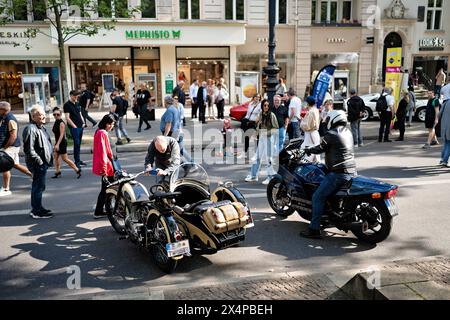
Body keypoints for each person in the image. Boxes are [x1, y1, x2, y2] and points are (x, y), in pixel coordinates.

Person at [301, 110, 356, 239]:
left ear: (333, 120)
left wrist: (308, 150)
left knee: (317, 197)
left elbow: (320, 148)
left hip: (338, 174)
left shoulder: (331, 134)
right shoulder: (348, 132)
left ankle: (314, 229)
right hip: (351, 171)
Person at [22, 105, 54, 219]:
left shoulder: (40, 127)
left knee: (40, 186)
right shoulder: (31, 128)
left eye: (43, 113)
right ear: (33, 116)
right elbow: (28, 149)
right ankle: (36, 211)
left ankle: (38, 208)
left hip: (42, 163)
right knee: (38, 186)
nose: (44, 116)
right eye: (40, 114)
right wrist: (40, 161)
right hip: (38, 164)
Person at [0, 101, 32, 197]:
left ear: (3, 110)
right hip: (8, 146)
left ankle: (6, 189)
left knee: (4, 165)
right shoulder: (3, 117)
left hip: (11, 147)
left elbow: (13, 136)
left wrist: (4, 148)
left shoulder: (10, 120)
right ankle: (34, 176)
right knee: (15, 164)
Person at [245, 99, 279, 185]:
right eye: (264, 105)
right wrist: (257, 133)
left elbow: (275, 128)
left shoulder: (272, 115)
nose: (266, 107)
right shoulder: (261, 114)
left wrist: (266, 133)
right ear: (262, 106)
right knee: (257, 156)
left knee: (269, 158)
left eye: (268, 105)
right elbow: (258, 125)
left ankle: (270, 177)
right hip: (262, 137)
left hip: (269, 138)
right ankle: (253, 176)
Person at [92, 114, 116, 219]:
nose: (111, 126)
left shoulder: (99, 131)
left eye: (112, 124)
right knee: (107, 189)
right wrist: (104, 170)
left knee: (106, 188)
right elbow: (102, 153)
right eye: (110, 124)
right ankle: (100, 210)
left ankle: (101, 209)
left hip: (107, 165)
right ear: (105, 123)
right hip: (107, 166)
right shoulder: (102, 133)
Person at [51, 107, 81, 178]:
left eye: (57, 114)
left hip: (61, 143)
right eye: (54, 114)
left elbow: (61, 135)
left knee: (65, 159)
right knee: (56, 157)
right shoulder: (56, 122)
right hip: (57, 142)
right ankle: (57, 172)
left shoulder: (61, 123)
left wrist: (57, 144)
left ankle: (77, 170)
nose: (56, 116)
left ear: (60, 115)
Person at [64, 90, 86, 169]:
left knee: (78, 144)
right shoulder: (67, 105)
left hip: (81, 126)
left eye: (77, 96)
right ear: (71, 95)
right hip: (74, 127)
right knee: (76, 144)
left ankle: (78, 160)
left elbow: (80, 114)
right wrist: (74, 126)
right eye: (75, 95)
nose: (76, 97)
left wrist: (83, 122)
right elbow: (67, 118)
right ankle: (76, 162)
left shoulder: (77, 103)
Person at [300, 96, 321, 162]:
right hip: (314, 133)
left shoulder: (311, 112)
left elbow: (307, 126)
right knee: (315, 152)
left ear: (308, 103)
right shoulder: (315, 110)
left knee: (307, 152)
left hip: (310, 134)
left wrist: (301, 122)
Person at [173, 96, 193, 164]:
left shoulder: (180, 106)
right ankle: (187, 165)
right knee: (179, 150)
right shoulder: (172, 107)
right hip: (176, 131)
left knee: (180, 150)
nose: (176, 99)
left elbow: (182, 116)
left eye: (177, 98)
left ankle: (190, 164)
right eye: (174, 98)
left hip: (178, 131)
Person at [439, 84, 450, 167]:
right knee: (448, 144)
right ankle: (445, 161)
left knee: (446, 143)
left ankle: (442, 159)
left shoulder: (446, 103)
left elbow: (439, 114)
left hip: (445, 127)